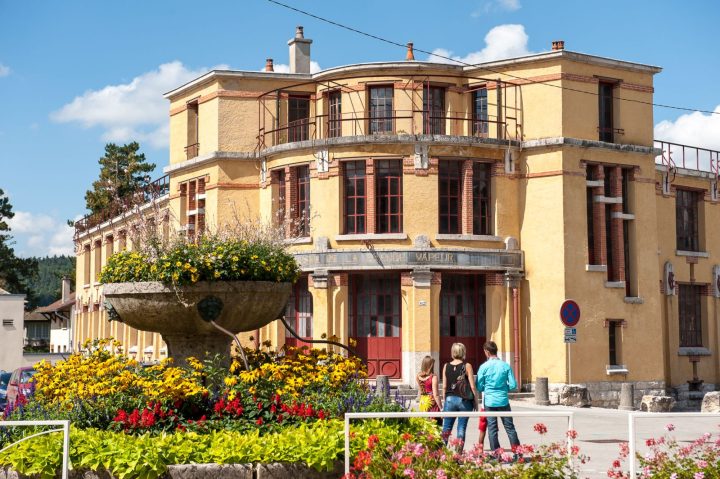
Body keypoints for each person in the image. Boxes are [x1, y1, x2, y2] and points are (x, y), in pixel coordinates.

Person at [475, 340, 520, 453]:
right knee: (510, 427)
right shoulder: (505, 366)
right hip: (503, 400)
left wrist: (486, 389)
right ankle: (517, 452)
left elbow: (479, 386)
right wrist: (504, 389)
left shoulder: (483, 367)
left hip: (489, 401)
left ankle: (496, 453)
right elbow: (513, 385)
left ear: (487, 352)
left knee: (492, 428)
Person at [441, 342, 480, 451]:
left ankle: (440, 453)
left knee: (446, 428)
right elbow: (472, 386)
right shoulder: (467, 366)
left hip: (449, 399)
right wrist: (476, 402)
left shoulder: (446, 366)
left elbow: (444, 387)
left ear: (453, 352)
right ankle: (458, 454)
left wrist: (444, 403)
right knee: (461, 428)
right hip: (464, 401)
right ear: (463, 352)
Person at [416, 355, 442, 426]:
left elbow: (420, 390)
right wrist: (441, 407)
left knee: (425, 424)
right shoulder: (433, 377)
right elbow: (436, 394)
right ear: (431, 366)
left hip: (423, 401)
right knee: (435, 425)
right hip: (431, 401)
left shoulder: (418, 376)